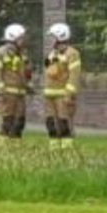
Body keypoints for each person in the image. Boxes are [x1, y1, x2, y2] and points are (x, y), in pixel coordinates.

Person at [0, 23, 31, 146]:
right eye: (22, 38)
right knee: (6, 120)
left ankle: (15, 147)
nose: (24, 40)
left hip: (20, 94)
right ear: (13, 38)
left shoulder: (22, 55)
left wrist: (28, 84)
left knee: (19, 121)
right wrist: (0, 86)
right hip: (6, 93)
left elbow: (25, 73)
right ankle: (1, 146)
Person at [42, 22, 81, 151]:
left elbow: (74, 75)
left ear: (60, 37)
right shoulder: (52, 53)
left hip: (63, 95)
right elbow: (49, 71)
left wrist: (69, 94)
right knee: (51, 123)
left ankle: (67, 150)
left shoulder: (72, 54)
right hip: (50, 95)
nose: (51, 40)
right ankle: (54, 150)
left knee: (64, 123)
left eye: (53, 37)